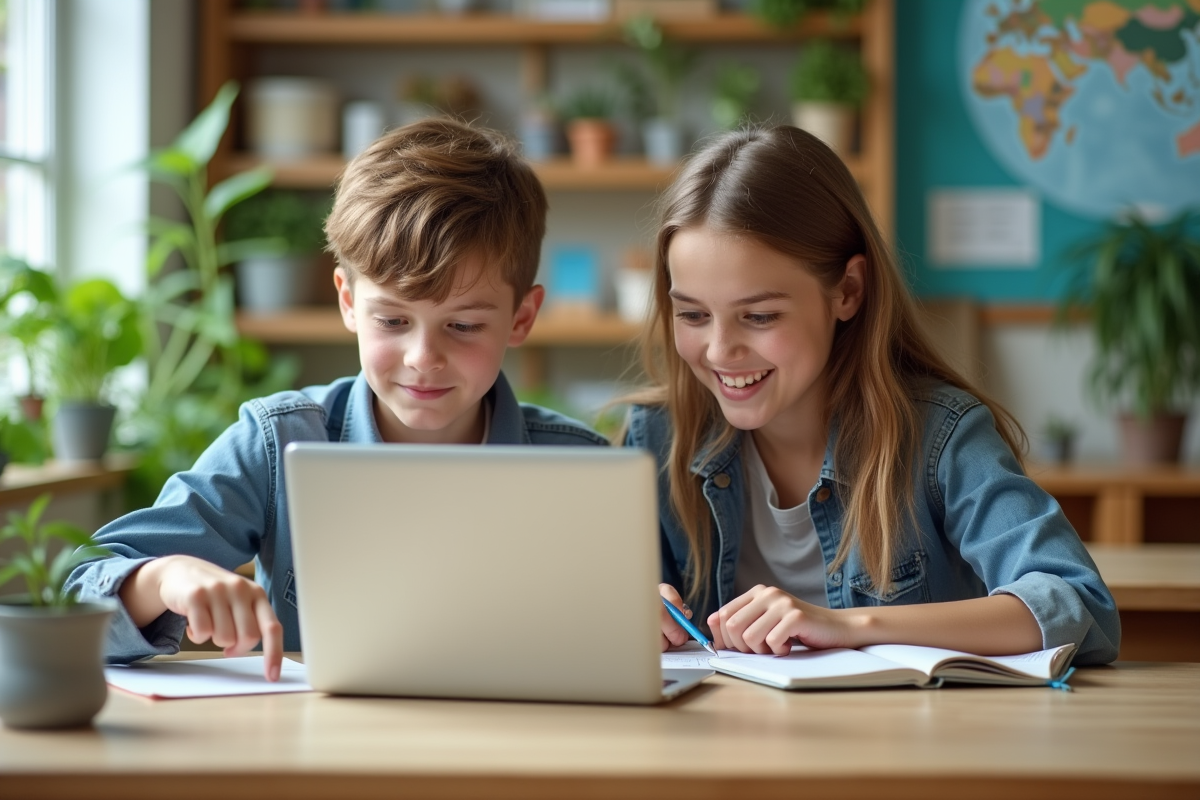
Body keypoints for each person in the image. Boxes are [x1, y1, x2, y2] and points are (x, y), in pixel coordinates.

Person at [68, 119, 607, 680]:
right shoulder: (279, 443)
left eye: (465, 325)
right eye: (393, 319)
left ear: (521, 318)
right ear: (349, 302)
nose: (424, 356)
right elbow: (74, 591)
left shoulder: (584, 469)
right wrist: (164, 577)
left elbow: (655, 629)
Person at [626, 125, 1119, 665]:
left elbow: (1078, 605)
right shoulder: (656, 438)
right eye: (692, 314)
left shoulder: (940, 436)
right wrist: (620, 612)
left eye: (760, 316)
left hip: (906, 744)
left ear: (849, 291)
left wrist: (850, 626)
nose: (720, 350)